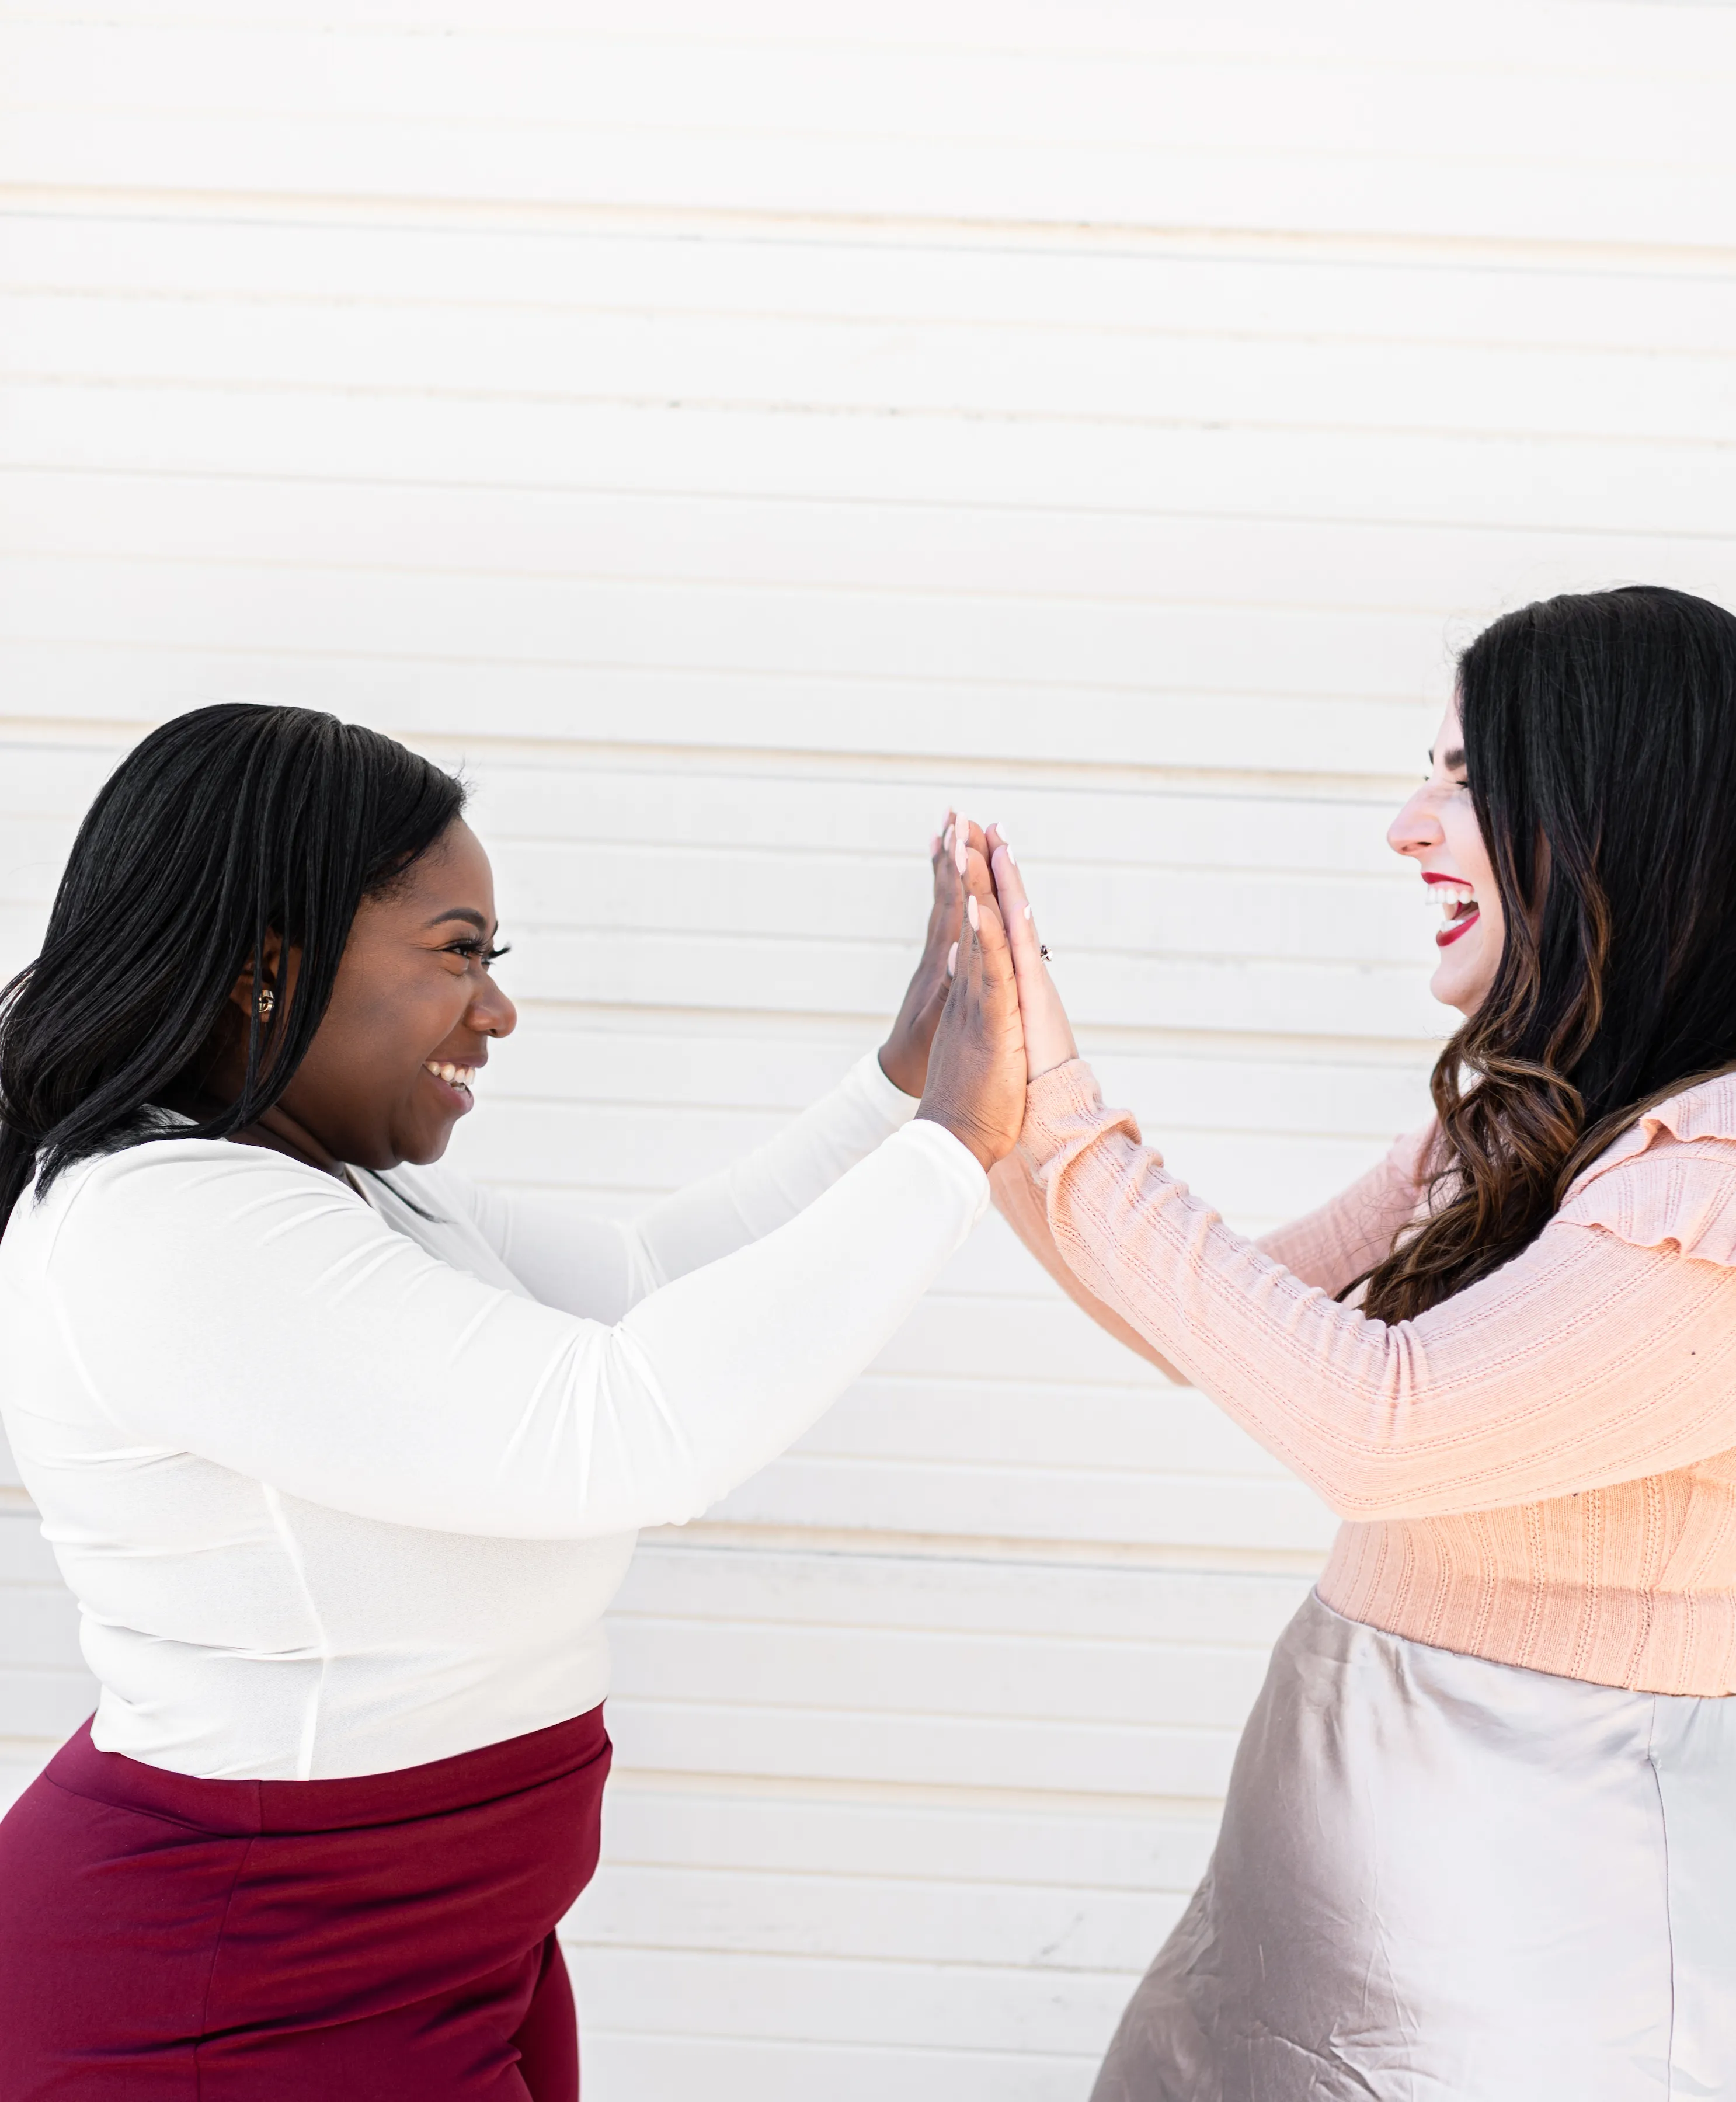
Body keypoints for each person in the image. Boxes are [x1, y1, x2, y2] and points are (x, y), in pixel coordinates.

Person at [0, 702, 1024, 2100]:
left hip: (432, 1950)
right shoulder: (165, 1225)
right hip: (240, 1995)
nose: (497, 1010)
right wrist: (959, 1145)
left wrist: (899, 1090)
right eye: (456, 954)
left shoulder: (321, 1184)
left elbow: (638, 1279)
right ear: (267, 968)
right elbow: (631, 1429)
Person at [939, 587, 1736, 2099]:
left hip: (1532, 1912)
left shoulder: (1711, 1182)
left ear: (1622, 806)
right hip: (1347, 1841)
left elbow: (1378, 1428)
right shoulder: (1524, 1120)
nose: (1405, 827)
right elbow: (1205, 1319)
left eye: (1463, 779)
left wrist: (1063, 1105)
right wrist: (1002, 1117)